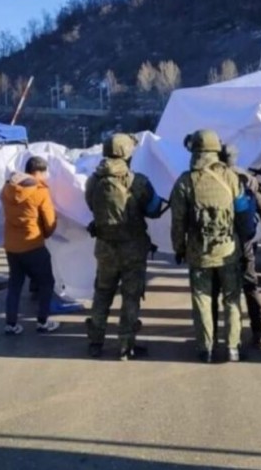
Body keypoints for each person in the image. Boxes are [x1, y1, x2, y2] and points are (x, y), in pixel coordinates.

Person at [85, 134, 165, 360]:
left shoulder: (93, 181)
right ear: (128, 153)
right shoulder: (138, 181)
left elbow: (91, 206)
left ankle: (95, 342)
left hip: (105, 247)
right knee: (131, 297)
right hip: (133, 249)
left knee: (102, 294)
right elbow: (154, 210)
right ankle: (125, 346)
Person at [170, 129, 244, 363]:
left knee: (202, 300)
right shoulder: (230, 177)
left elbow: (178, 221)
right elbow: (242, 211)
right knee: (232, 299)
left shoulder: (185, 181)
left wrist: (179, 248)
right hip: (228, 250)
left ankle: (206, 349)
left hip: (198, 252)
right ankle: (232, 348)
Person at [209, 144, 261, 349]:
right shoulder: (248, 178)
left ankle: (211, 335)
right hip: (245, 242)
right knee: (250, 286)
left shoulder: (210, 177)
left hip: (218, 242)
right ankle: (258, 332)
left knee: (215, 289)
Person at [1, 156, 60, 336]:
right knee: (46, 282)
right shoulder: (40, 191)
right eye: (45, 173)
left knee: (15, 284)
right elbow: (49, 221)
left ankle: (11, 324)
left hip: (12, 246)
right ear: (38, 173)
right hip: (32, 244)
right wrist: (46, 234)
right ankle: (42, 322)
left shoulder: (7, 188)